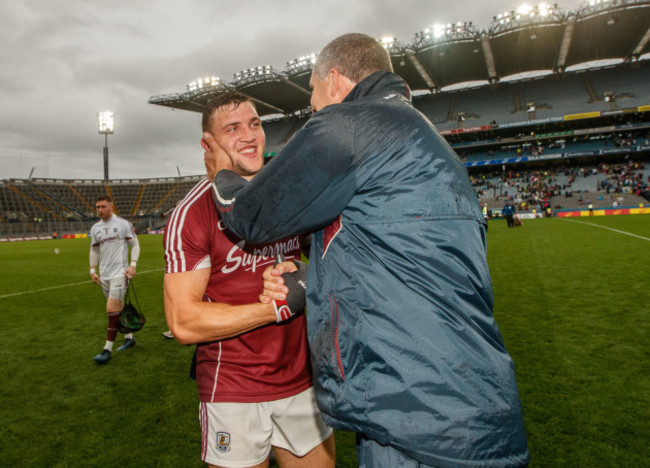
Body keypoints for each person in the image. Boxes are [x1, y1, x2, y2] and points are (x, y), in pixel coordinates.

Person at [205, 34, 529, 467]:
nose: (314, 113)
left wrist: (222, 176)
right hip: (474, 404)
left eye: (315, 100)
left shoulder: (350, 124)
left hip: (413, 411)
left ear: (335, 81)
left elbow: (249, 215)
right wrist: (313, 278)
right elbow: (396, 255)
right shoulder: (430, 144)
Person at [163, 92, 334, 468]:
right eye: (232, 128)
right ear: (208, 144)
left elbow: (330, 259)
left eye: (255, 123)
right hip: (232, 387)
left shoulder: (289, 194)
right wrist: (271, 308)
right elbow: (183, 323)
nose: (250, 134)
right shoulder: (191, 214)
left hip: (300, 378)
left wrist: (306, 277)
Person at [89, 195, 139, 364]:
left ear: (111, 206)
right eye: (97, 207)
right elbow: (94, 250)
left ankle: (106, 349)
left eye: (103, 206)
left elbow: (135, 245)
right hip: (104, 275)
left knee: (111, 309)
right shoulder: (95, 228)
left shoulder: (123, 225)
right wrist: (92, 270)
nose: (99, 210)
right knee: (118, 308)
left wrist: (133, 264)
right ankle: (129, 338)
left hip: (120, 273)